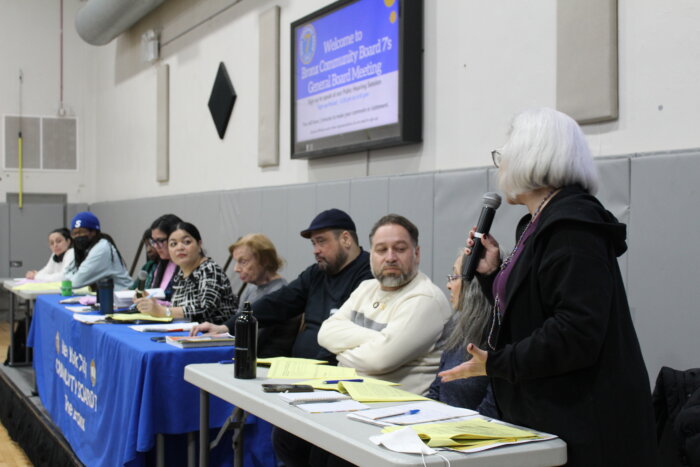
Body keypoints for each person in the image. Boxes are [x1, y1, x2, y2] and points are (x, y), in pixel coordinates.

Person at [438, 107, 657, 466]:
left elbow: (576, 331)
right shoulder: (538, 225)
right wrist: (492, 274)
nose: (501, 169)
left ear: (532, 159)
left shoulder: (572, 227)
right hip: (554, 416)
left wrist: (497, 362)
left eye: (503, 157)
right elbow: (534, 309)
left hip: (587, 426)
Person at [191, 208, 373, 363]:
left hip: (330, 372)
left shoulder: (368, 276)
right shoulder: (317, 273)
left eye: (321, 241)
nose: (315, 250)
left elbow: (348, 335)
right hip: (297, 369)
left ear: (346, 240)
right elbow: (278, 302)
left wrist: (314, 370)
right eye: (313, 243)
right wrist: (228, 327)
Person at [318, 214, 452, 395]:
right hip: (349, 398)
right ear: (371, 255)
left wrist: (340, 353)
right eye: (381, 250)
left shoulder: (425, 299)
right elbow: (325, 333)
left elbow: (378, 360)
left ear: (417, 253)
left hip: (400, 411)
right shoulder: (365, 288)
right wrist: (379, 340)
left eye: (400, 249)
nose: (390, 257)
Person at [426, 252, 498, 417]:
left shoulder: (497, 336)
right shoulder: (457, 326)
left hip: (470, 435)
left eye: (455, 277)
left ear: (474, 285)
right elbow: (437, 388)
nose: (448, 285)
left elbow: (490, 413)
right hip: (440, 427)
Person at [135, 221, 236, 324]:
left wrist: (163, 311)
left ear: (199, 244)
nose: (180, 248)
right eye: (173, 244)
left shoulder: (209, 269)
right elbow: (181, 309)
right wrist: (152, 303)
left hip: (214, 336)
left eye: (187, 242)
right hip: (186, 333)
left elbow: (205, 309)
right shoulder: (180, 275)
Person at [229, 233, 299, 357]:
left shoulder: (279, 293)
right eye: (236, 262)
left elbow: (253, 339)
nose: (236, 268)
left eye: (243, 262)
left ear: (265, 260)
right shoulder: (252, 287)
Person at [64, 212, 132, 290]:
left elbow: (75, 282)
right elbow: (65, 276)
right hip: (106, 295)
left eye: (82, 232)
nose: (78, 236)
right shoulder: (84, 248)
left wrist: (73, 277)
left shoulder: (101, 249)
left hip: (122, 296)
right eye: (75, 233)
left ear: (93, 232)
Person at [145, 214, 182, 300]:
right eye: (153, 241)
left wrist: (157, 306)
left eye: (160, 241)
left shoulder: (188, 267)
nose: (156, 246)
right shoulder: (161, 265)